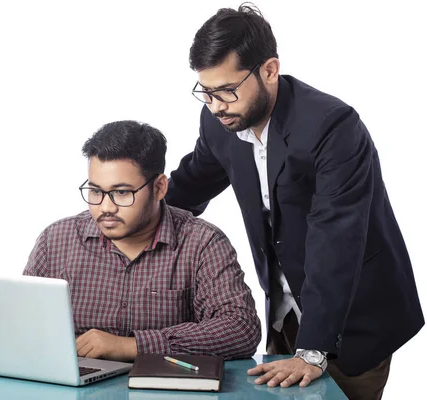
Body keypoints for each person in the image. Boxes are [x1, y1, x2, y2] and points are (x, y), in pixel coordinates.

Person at [164, 4, 424, 399]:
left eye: (227, 90)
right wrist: (127, 211)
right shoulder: (220, 121)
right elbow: (192, 183)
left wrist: (314, 350)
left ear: (269, 70)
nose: (215, 105)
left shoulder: (333, 127)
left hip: (354, 321)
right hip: (283, 315)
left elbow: (336, 237)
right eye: (206, 92)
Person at [23, 120, 261, 362]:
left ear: (159, 187)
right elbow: (21, 322)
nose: (106, 207)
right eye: (95, 191)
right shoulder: (55, 241)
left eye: (122, 192)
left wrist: (132, 346)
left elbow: (241, 329)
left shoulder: (203, 243)